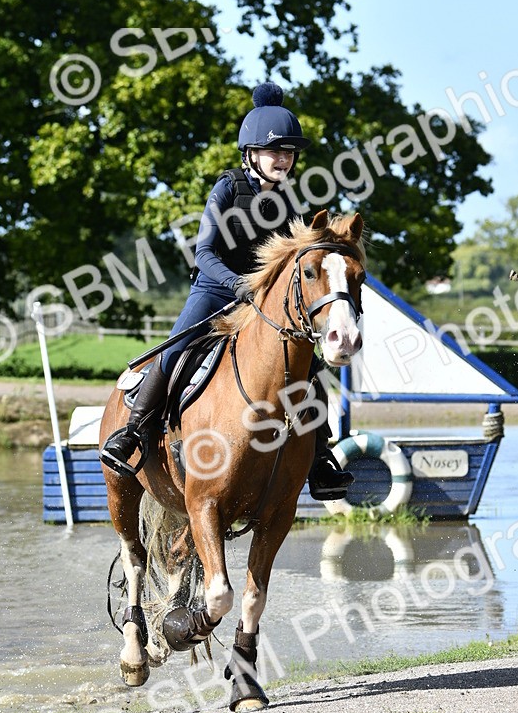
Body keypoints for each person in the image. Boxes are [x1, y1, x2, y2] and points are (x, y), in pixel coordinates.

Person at [99, 82, 355, 500]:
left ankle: (320, 455)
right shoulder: (228, 188)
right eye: (274, 151)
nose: (283, 158)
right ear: (251, 153)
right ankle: (132, 432)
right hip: (216, 291)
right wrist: (238, 284)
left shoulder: (290, 201)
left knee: (309, 369)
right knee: (173, 350)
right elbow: (204, 252)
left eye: (289, 152)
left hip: (262, 304)